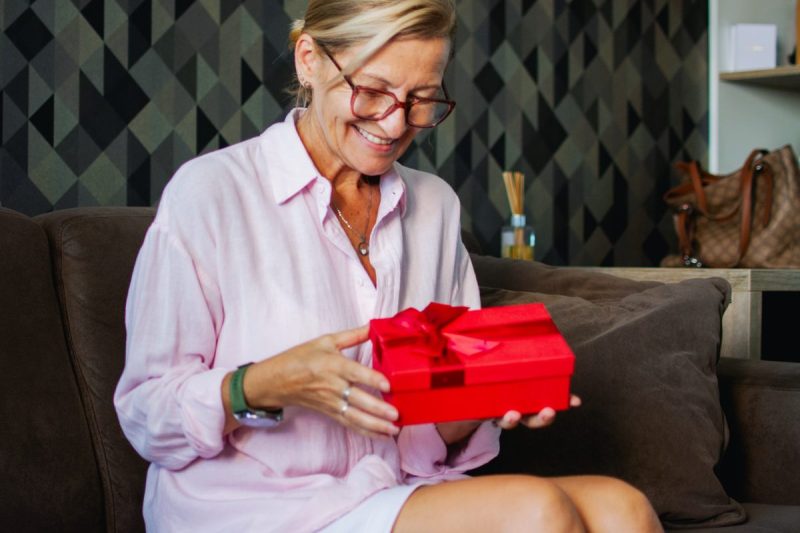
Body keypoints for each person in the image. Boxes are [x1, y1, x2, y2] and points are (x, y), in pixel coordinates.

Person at [115, 1, 663, 531]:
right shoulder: (211, 193)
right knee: (534, 510)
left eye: (422, 98)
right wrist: (259, 384)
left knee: (624, 509)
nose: (395, 123)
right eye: (372, 90)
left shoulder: (436, 207)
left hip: (392, 490)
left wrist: (492, 397)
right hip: (256, 508)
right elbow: (145, 413)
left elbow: (429, 425)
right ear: (309, 59)